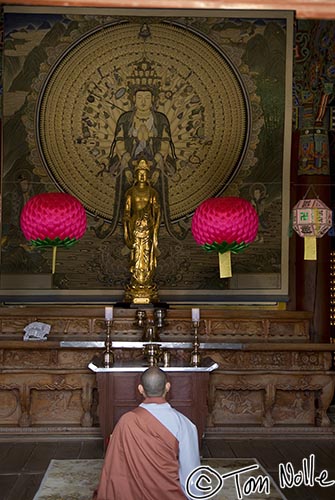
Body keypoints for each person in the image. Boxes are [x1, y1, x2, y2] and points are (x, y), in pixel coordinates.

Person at [93, 366, 200, 500]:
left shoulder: (126, 421)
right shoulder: (185, 424)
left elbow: (114, 468)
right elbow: (191, 474)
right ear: (167, 387)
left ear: (140, 389)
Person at [123, 159, 161, 302]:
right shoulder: (130, 192)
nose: (142, 176)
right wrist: (128, 228)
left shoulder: (152, 192)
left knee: (146, 254)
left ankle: (146, 282)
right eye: (140, 173)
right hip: (135, 228)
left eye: (144, 173)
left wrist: (155, 228)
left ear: (148, 175)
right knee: (136, 255)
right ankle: (136, 282)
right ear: (135, 175)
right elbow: (126, 213)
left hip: (148, 229)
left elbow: (157, 212)